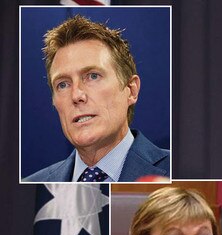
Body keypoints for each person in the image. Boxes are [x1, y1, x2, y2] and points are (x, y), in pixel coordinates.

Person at [24, 15, 169, 182]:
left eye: (93, 76)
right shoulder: (33, 183)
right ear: (54, 102)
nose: (77, 95)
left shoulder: (181, 171)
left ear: (131, 90)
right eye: (63, 84)